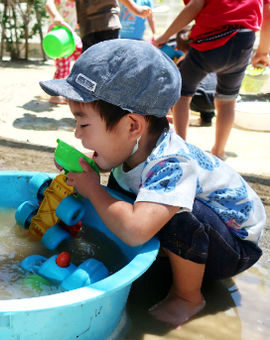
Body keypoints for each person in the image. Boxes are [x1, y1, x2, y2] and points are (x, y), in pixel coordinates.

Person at [39, 39, 265, 327]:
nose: (76, 134)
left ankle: (188, 296)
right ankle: (172, 259)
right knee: (121, 189)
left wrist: (93, 189)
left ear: (133, 125)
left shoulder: (172, 164)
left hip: (233, 245)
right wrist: (86, 168)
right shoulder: (133, 144)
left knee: (177, 216)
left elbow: (135, 231)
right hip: (206, 234)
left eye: (83, 124)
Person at [153, 0, 270, 159]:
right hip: (243, 42)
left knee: (182, 94)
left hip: (209, 40)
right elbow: (267, 14)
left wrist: (165, 36)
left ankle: (181, 147)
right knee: (227, 101)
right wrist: (262, 52)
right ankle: (219, 151)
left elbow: (194, 7)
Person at [45, 0, 82, 105]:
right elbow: (48, 4)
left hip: (70, 35)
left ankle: (67, 92)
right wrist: (56, 16)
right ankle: (54, 95)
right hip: (58, 36)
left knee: (81, 55)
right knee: (62, 67)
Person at [75, 0, 152, 51]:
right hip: (107, 24)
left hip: (89, 27)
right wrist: (136, 9)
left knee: (90, 66)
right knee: (110, 64)